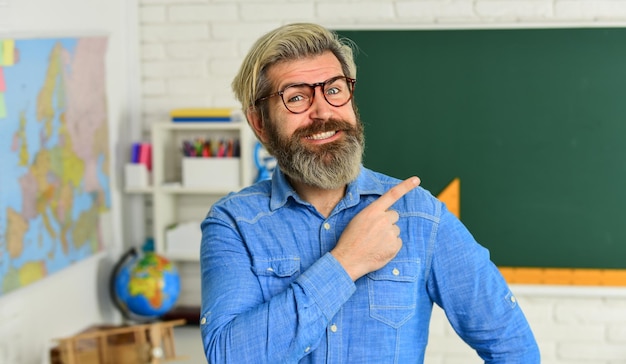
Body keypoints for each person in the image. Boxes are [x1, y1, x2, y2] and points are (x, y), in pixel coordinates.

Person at [199, 22, 540, 363]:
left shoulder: (419, 215)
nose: (323, 111)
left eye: (334, 90)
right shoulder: (234, 224)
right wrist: (345, 262)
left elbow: (513, 347)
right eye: (297, 97)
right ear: (260, 123)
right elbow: (228, 357)